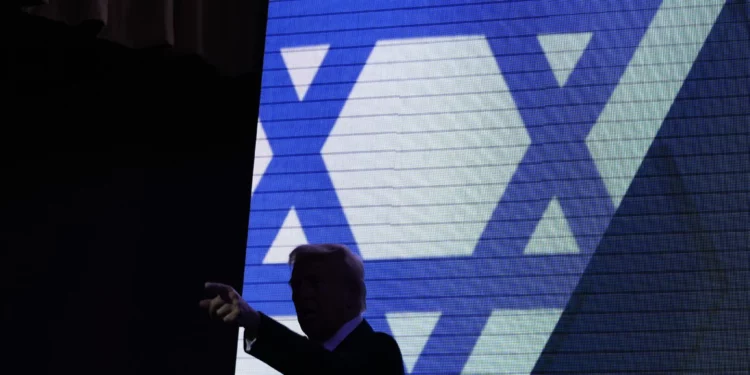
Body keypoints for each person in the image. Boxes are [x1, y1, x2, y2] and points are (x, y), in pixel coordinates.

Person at [200, 243, 405, 375]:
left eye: (315, 283)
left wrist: (257, 324)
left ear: (351, 293)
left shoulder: (380, 351)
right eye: (296, 286)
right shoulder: (304, 360)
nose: (302, 295)